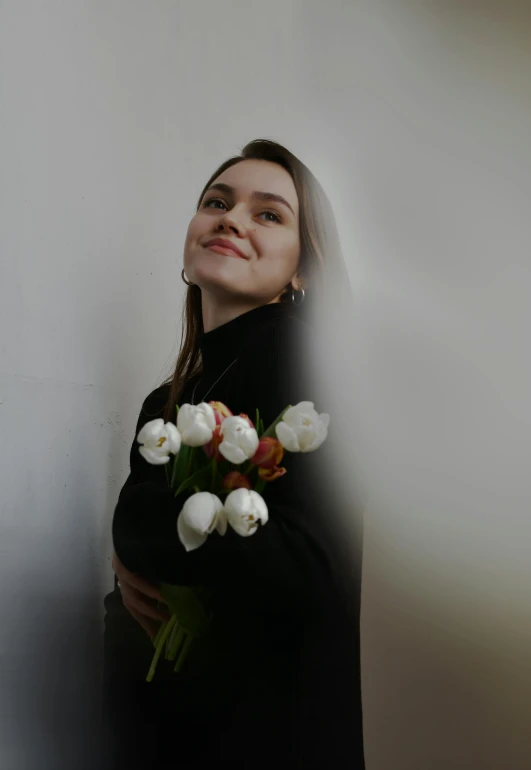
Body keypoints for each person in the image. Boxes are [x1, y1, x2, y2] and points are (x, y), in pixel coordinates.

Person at [103, 139, 365, 768]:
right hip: (184, 730)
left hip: (271, 734)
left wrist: (141, 534)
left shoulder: (305, 356)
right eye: (217, 201)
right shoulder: (167, 401)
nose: (232, 218)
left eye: (268, 214)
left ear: (303, 268)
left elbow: (312, 569)